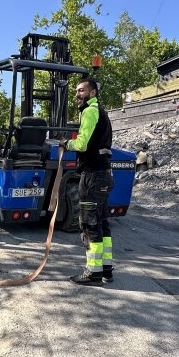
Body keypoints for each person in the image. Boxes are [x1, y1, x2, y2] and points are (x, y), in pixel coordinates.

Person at [59, 78, 114, 285]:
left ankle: (93, 272)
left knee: (89, 224)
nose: (77, 94)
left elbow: (81, 144)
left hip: (92, 176)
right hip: (104, 174)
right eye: (76, 91)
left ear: (93, 93)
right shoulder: (102, 112)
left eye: (81, 90)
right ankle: (106, 269)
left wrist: (65, 143)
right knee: (102, 223)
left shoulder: (90, 111)